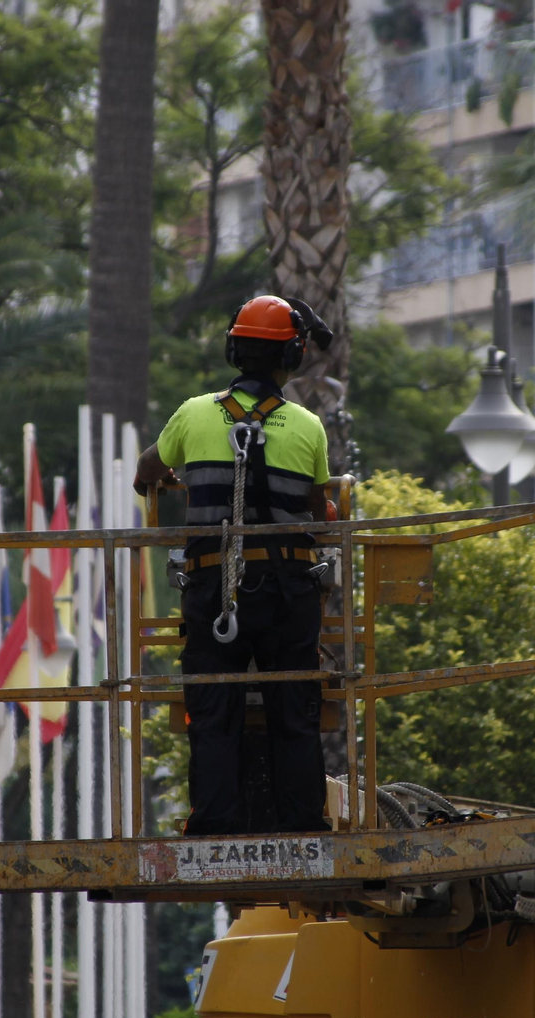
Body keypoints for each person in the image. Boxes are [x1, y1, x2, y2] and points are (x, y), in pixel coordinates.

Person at [134, 295, 334, 835]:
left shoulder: (193, 414)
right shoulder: (309, 427)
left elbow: (146, 468)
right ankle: (302, 826)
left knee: (214, 711)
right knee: (293, 715)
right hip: (288, 593)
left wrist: (172, 480)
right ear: (289, 357)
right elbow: (320, 513)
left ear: (233, 350)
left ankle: (214, 824)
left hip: (213, 589)